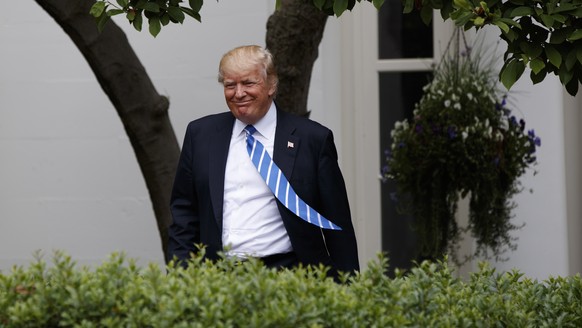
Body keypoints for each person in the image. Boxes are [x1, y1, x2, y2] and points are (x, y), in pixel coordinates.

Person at [167, 45, 359, 277]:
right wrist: (180, 278)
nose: (238, 93)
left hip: (289, 276)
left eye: (248, 83)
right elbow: (184, 215)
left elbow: (336, 222)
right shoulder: (201, 135)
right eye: (230, 85)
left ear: (271, 85)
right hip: (218, 279)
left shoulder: (312, 139)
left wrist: (348, 289)